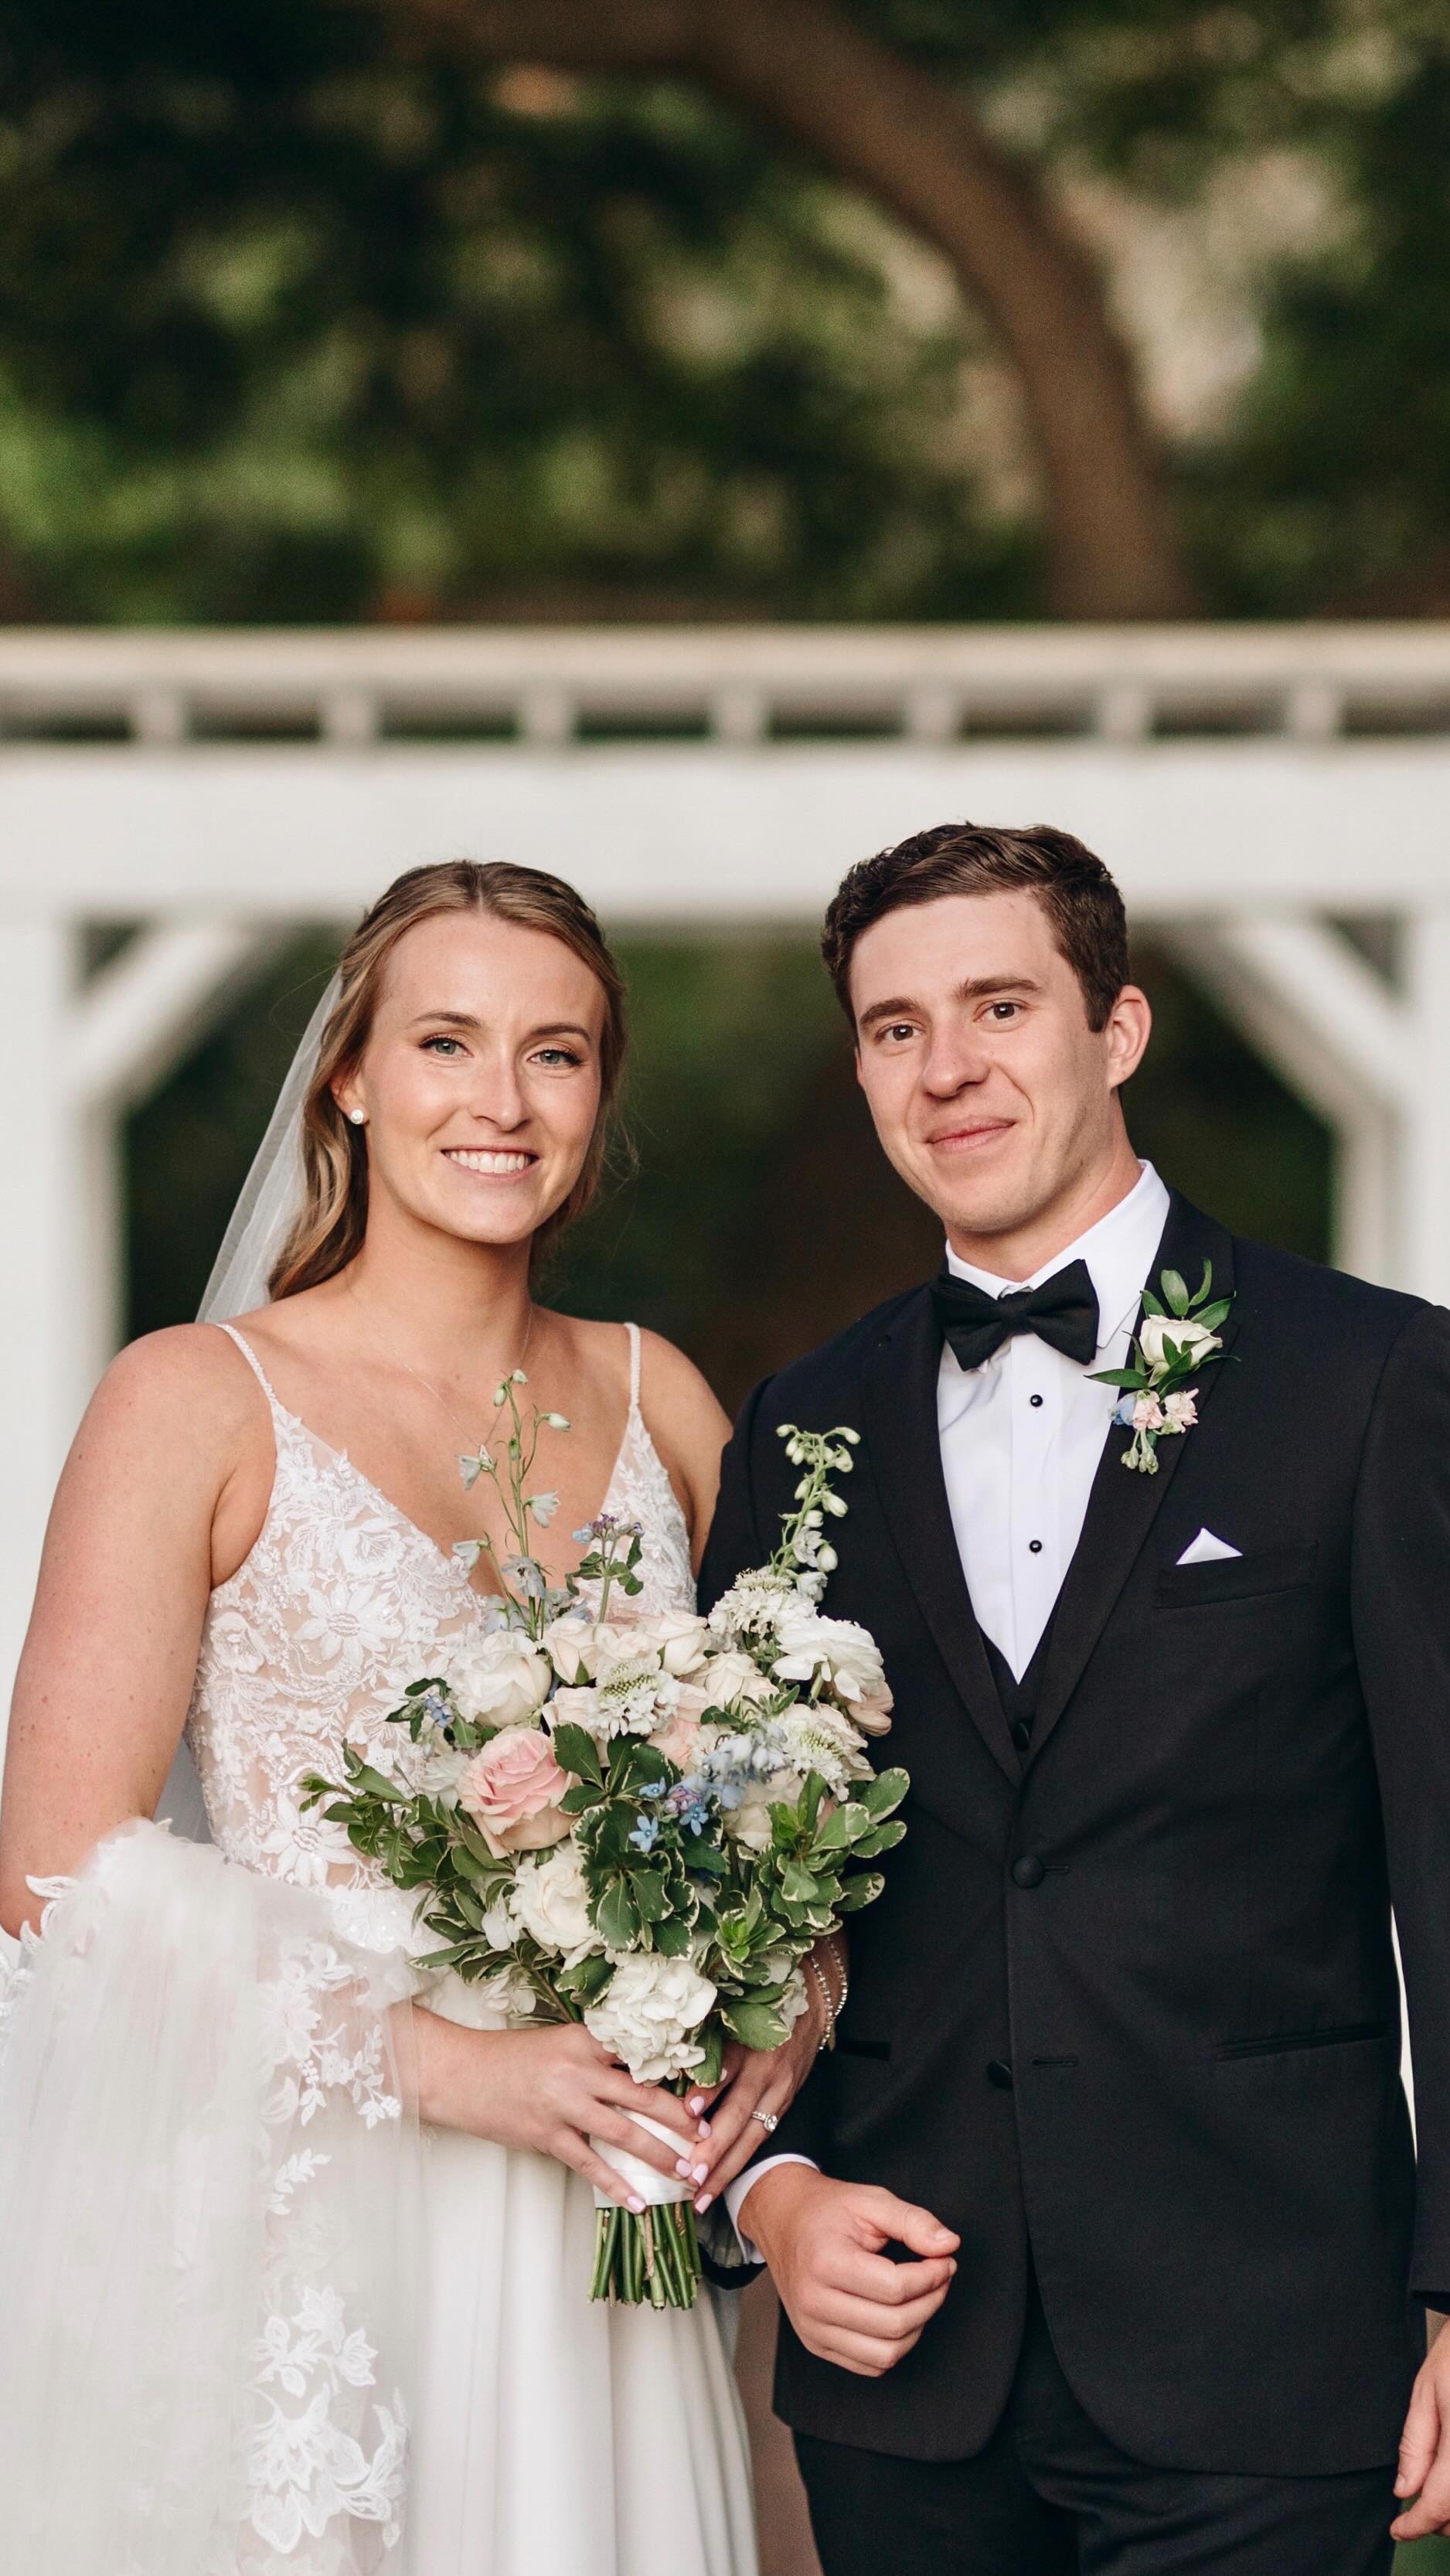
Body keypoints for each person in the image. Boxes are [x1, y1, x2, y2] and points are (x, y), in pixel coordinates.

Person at [0, 858, 831, 2576]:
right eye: (446, 1042)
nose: (501, 1101)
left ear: (597, 1096)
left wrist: (790, 1984)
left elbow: (789, 1760)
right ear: (351, 1079)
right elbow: (54, 1877)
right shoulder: (192, 1400)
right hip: (321, 2212)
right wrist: (446, 2068)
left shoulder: (660, 1396)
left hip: (609, 2235)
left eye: (555, 1052)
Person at [703, 820, 1450, 2574]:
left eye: (998, 1006)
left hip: (1265, 2349)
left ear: (1115, 1030)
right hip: (904, 2369)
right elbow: (739, 1883)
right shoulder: (802, 1426)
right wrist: (773, 2193)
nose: (944, 1068)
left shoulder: (1368, 1378)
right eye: (894, 1027)